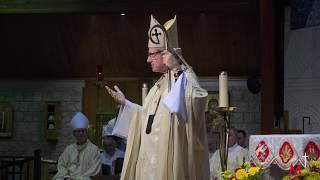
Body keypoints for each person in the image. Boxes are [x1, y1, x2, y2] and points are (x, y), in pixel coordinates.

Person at [105, 15, 210, 180]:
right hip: (148, 163)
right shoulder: (158, 86)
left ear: (166, 54)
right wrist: (126, 103)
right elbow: (146, 118)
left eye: (152, 54)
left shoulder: (185, 77)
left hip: (168, 162)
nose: (148, 59)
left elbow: (195, 105)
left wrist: (176, 66)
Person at [53, 112, 101, 180]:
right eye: (78, 131)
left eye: (83, 131)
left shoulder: (94, 150)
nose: (81, 133)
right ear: (74, 134)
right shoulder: (69, 149)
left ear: (87, 132)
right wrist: (66, 176)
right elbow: (61, 164)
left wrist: (76, 178)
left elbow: (93, 171)